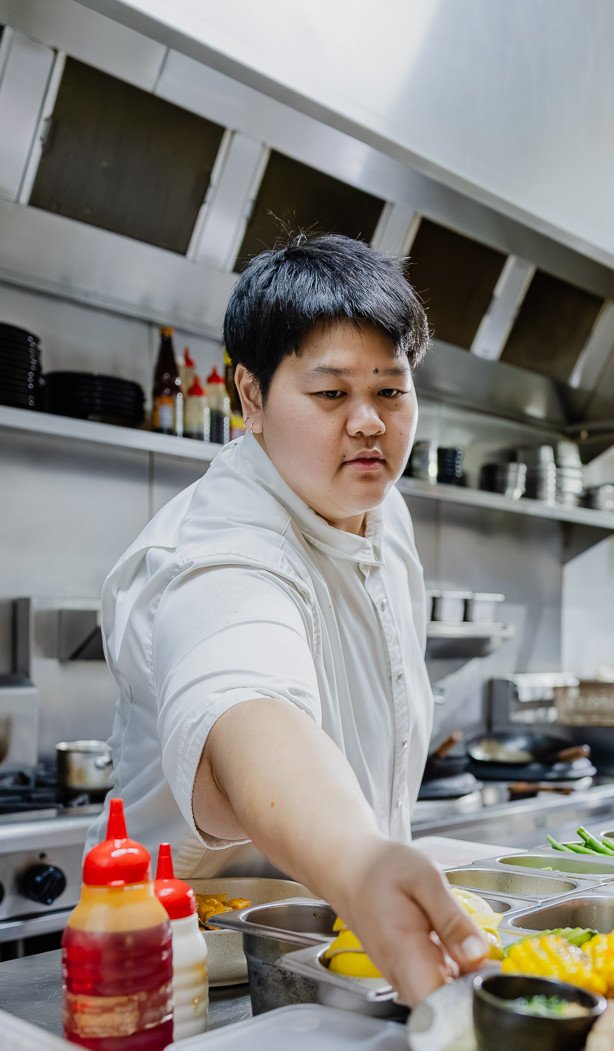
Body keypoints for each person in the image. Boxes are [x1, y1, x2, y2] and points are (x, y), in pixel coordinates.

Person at [88, 233, 488, 1005]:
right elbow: (248, 706)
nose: (370, 422)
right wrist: (362, 862)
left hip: (347, 954)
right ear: (250, 398)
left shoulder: (381, 509)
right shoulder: (217, 548)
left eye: (391, 390)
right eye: (332, 394)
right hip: (201, 984)